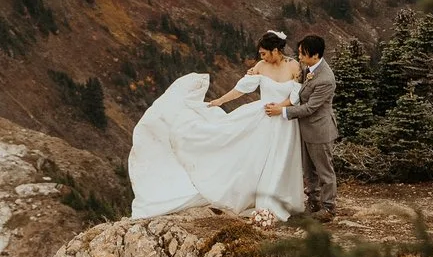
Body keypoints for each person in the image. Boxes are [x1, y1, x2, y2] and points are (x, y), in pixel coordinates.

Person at [127, 30, 307, 219]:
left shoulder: (294, 66)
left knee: (281, 160)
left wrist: (280, 107)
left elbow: (295, 96)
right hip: (262, 118)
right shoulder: (261, 66)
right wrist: (219, 101)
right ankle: (261, 201)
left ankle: (281, 202)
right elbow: (241, 89)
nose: (260, 57)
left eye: (264, 53)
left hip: (284, 120)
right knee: (256, 159)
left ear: (275, 50)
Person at [266, 34, 339, 218]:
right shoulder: (309, 68)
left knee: (324, 172)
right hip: (305, 130)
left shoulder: (325, 79)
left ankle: (328, 208)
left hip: (320, 130)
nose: (299, 57)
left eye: (302, 54)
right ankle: (313, 203)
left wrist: (281, 112)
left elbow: (310, 108)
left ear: (315, 55)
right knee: (308, 170)